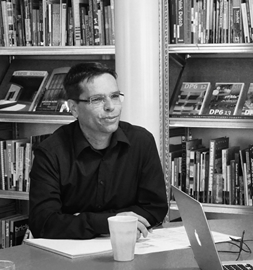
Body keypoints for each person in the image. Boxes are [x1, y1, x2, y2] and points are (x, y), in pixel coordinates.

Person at [28, 62, 168, 239]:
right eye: (97, 99)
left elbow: (155, 209)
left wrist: (78, 221)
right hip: (72, 252)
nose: (110, 107)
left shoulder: (141, 142)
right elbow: (42, 223)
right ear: (74, 108)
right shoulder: (51, 153)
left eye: (115, 96)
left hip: (131, 244)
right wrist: (109, 222)